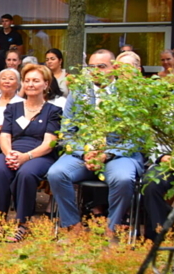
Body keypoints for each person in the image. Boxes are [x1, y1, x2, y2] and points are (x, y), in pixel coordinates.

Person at [47, 50, 144, 238]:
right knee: (56, 174)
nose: (96, 71)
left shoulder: (129, 94)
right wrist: (85, 153)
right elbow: (67, 132)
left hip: (119, 153)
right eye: (91, 67)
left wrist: (106, 154)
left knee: (124, 179)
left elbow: (136, 137)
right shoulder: (78, 94)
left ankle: (112, 228)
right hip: (84, 152)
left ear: (114, 68)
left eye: (102, 66)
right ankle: (73, 226)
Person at [0, 63, 62, 242]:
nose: (30, 84)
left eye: (36, 81)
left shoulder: (54, 111)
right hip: (12, 150)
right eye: (27, 81)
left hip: (39, 154)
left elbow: (49, 143)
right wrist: (10, 153)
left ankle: (22, 224)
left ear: (46, 84)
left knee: (26, 173)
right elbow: (5, 135)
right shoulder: (13, 108)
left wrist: (25, 157)